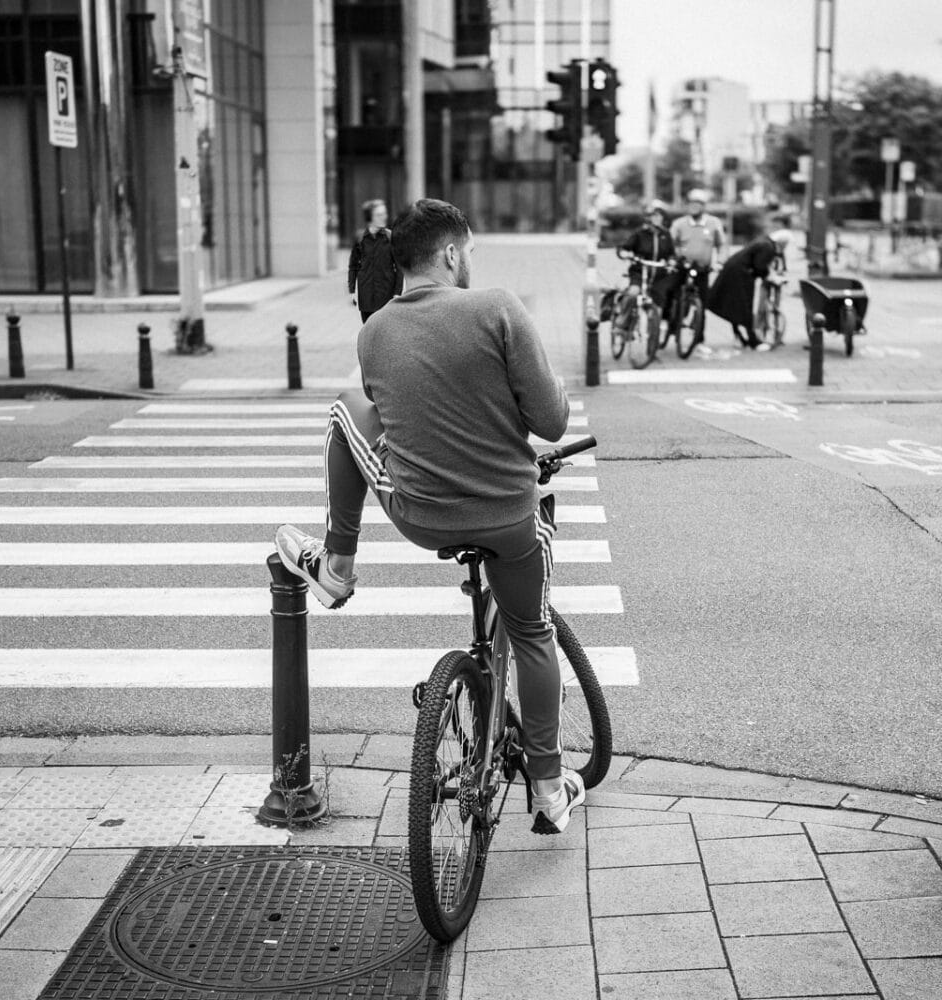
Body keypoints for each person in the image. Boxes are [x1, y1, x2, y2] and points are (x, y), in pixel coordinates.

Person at [275, 199, 584, 834]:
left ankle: (335, 566)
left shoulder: (375, 332)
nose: (471, 263)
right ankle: (551, 789)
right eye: (467, 253)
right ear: (449, 254)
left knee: (344, 409)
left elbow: (396, 414)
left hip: (423, 517)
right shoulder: (498, 308)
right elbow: (550, 421)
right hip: (508, 517)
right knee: (532, 635)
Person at [707, 224, 778, 350]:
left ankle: (740, 337)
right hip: (740, 276)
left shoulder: (763, 242)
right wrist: (767, 275)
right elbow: (759, 266)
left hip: (732, 272)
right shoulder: (767, 247)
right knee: (744, 306)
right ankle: (752, 341)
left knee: (735, 306)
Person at [669, 189, 727, 315]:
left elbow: (721, 245)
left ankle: (699, 332)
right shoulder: (679, 224)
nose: (694, 207)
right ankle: (670, 324)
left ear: (703, 206)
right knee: (673, 293)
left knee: (703, 301)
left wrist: (720, 262)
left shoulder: (713, 223)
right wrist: (674, 257)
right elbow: (671, 244)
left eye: (697, 204)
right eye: (691, 203)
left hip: (703, 268)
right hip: (682, 266)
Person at [617, 200, 678, 319]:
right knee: (633, 293)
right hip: (640, 272)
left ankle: (658, 331)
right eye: (653, 215)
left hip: (659, 275)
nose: (656, 218)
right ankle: (622, 321)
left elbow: (672, 254)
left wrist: (672, 261)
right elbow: (624, 248)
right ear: (648, 218)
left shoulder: (666, 235)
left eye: (659, 215)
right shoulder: (640, 234)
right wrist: (626, 254)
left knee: (662, 303)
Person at [348, 199, 404, 323]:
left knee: (386, 332)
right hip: (366, 296)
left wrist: (397, 293)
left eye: (384, 214)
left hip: (387, 297)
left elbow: (399, 268)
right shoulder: (360, 238)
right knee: (368, 331)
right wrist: (352, 291)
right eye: (379, 215)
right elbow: (353, 266)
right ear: (370, 217)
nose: (384, 217)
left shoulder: (391, 237)